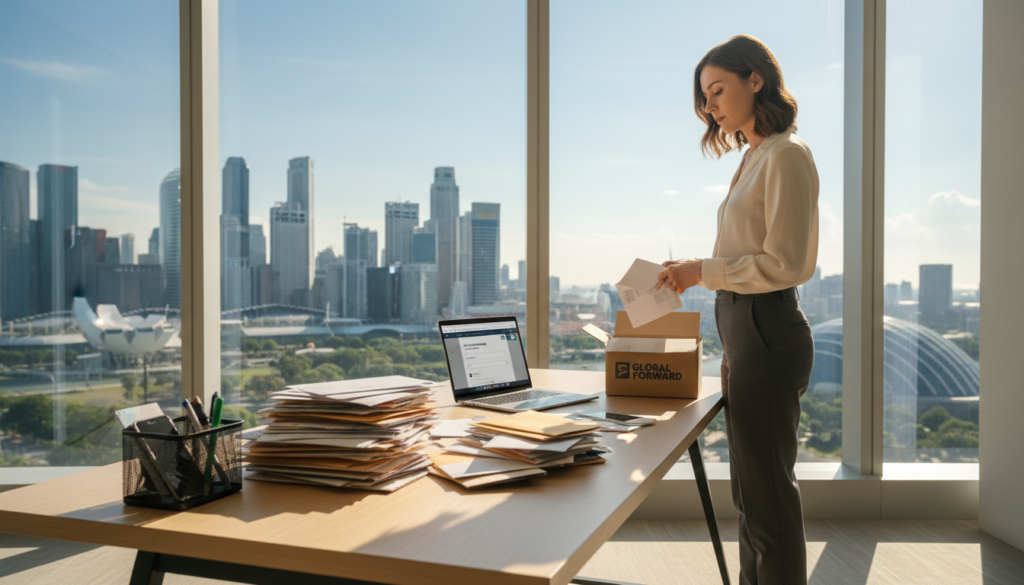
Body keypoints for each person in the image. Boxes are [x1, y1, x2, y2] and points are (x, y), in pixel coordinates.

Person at [655, 34, 818, 585]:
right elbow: (746, 255)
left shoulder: (787, 156)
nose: (709, 106)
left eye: (717, 90)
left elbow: (788, 262)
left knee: (767, 496)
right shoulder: (752, 157)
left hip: (766, 328)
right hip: (743, 330)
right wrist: (698, 269)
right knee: (750, 493)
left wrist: (703, 270)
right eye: (704, 97)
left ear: (756, 80)